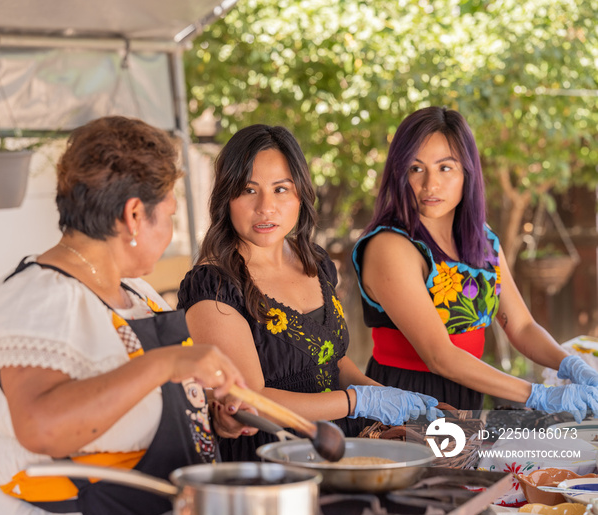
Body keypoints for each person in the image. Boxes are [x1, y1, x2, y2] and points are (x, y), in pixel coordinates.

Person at [0, 116, 252, 515]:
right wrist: (167, 364)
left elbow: (139, 406)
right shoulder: (37, 298)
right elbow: (41, 428)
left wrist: (207, 415)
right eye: (169, 214)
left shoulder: (137, 295)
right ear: (134, 215)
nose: (170, 231)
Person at [177, 124, 441, 462]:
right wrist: (358, 401)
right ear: (226, 198)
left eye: (281, 189)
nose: (266, 207)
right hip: (269, 462)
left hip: (339, 449)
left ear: (301, 193)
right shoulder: (213, 286)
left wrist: (387, 395)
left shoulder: (315, 261)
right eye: (248, 190)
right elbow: (249, 399)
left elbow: (332, 358)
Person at [352, 106, 598, 419]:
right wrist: (538, 394)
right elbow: (440, 357)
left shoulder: (483, 241)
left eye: (445, 168)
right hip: (407, 403)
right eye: (416, 169)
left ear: (467, 171)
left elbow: (521, 326)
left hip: (467, 395)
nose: (430, 184)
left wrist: (571, 364)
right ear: (399, 174)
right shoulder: (391, 247)